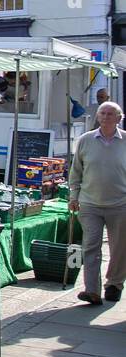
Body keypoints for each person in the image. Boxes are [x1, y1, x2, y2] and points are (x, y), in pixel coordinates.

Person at [68, 101, 126, 306]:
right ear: (98, 116)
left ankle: (114, 284)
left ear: (119, 118)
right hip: (89, 203)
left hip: (120, 204)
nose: (106, 116)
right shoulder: (85, 140)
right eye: (103, 113)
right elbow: (75, 172)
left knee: (119, 248)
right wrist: (73, 196)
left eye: (111, 114)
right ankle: (91, 290)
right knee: (91, 245)